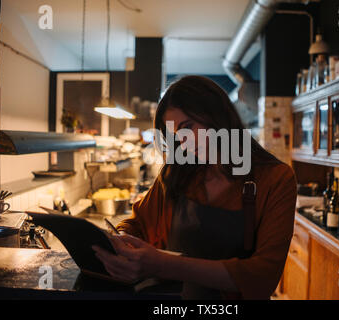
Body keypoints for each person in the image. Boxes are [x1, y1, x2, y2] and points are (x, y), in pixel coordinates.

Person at [92, 75, 297, 300]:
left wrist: (162, 264)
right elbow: (137, 223)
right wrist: (122, 241)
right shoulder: (177, 173)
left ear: (217, 116)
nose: (184, 142)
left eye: (188, 127)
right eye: (176, 135)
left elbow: (262, 276)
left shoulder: (275, 179)